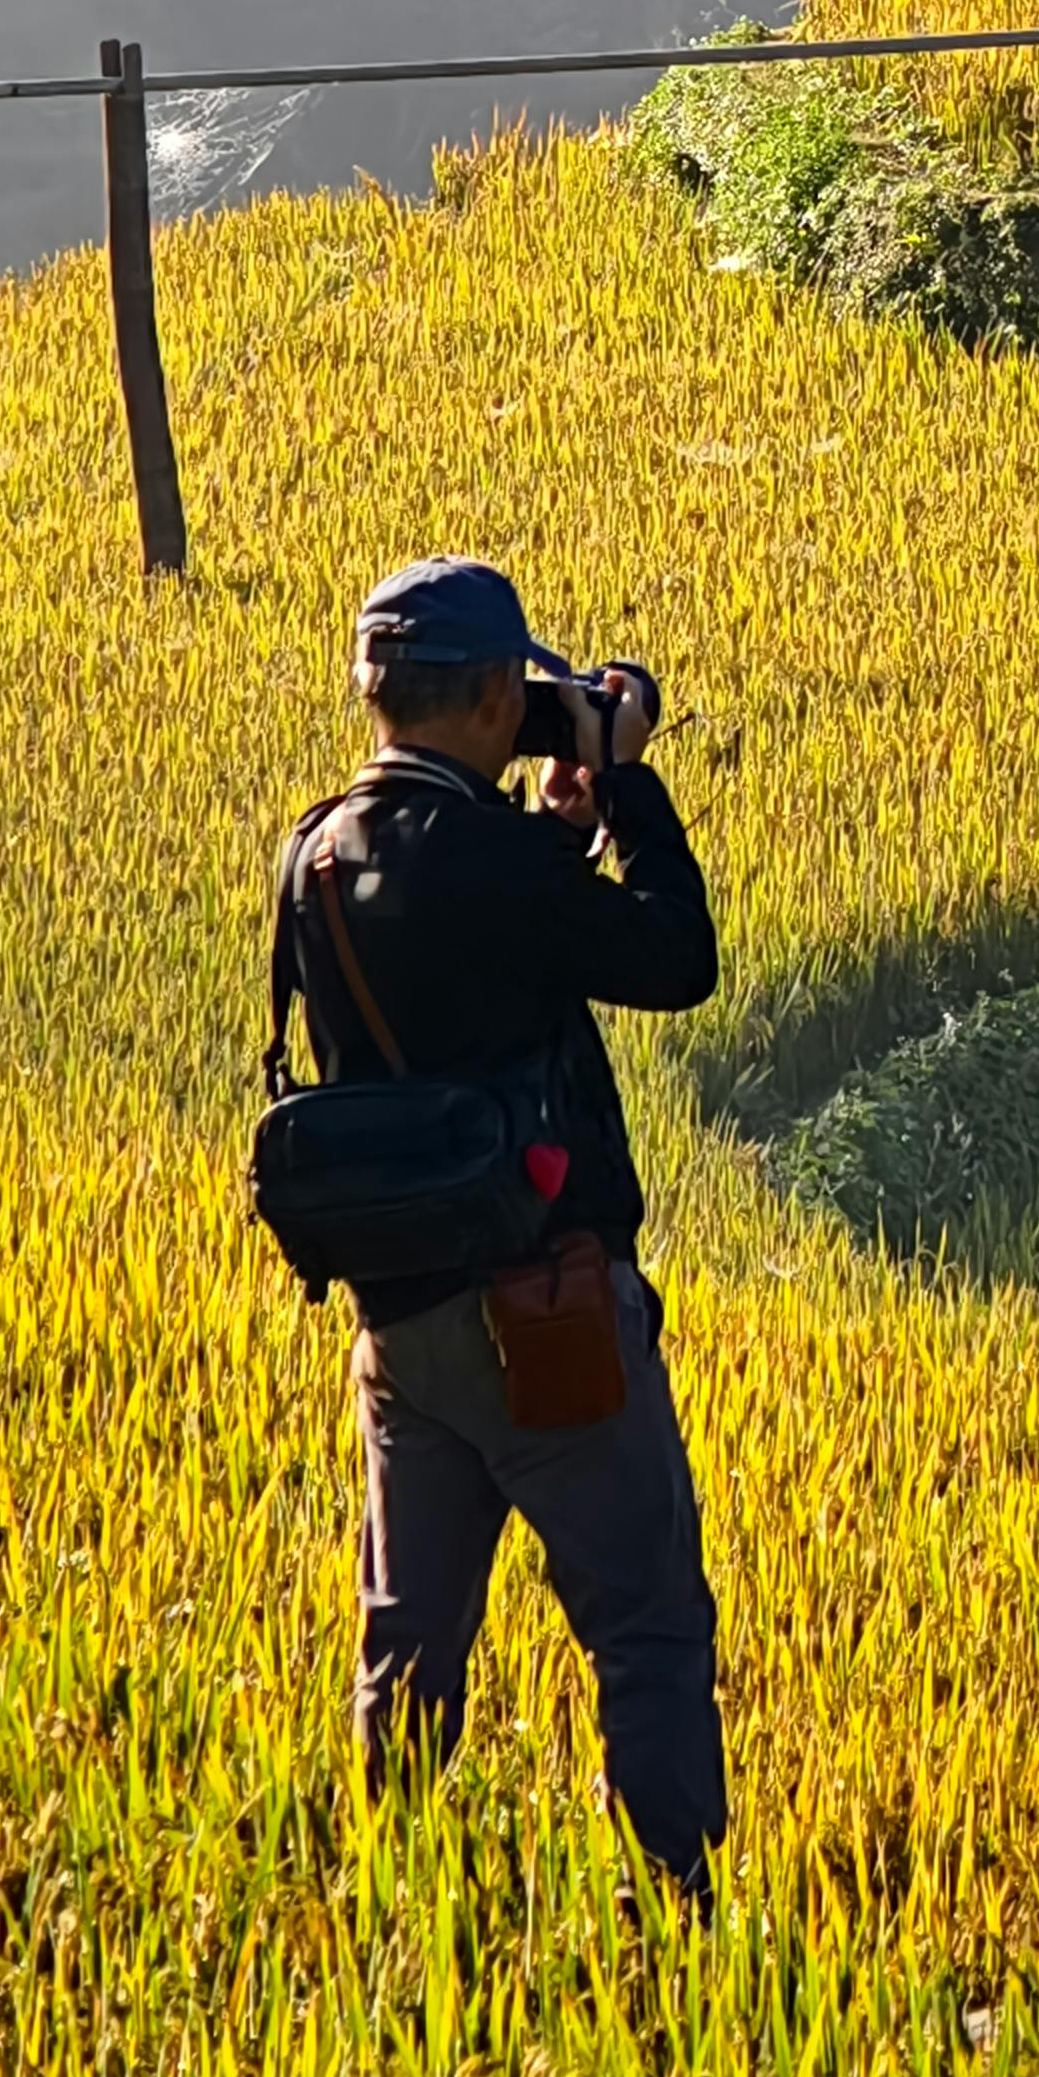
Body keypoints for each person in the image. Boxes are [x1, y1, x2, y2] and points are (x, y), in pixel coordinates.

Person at [276, 554, 729, 1893]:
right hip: (546, 1316)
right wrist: (625, 786)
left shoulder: (315, 854)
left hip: (400, 1322)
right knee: (647, 1625)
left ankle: (388, 1895)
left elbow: (454, 968)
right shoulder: (497, 864)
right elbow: (675, 958)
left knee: (408, 1643)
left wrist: (548, 830)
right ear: (489, 697)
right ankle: (676, 1918)